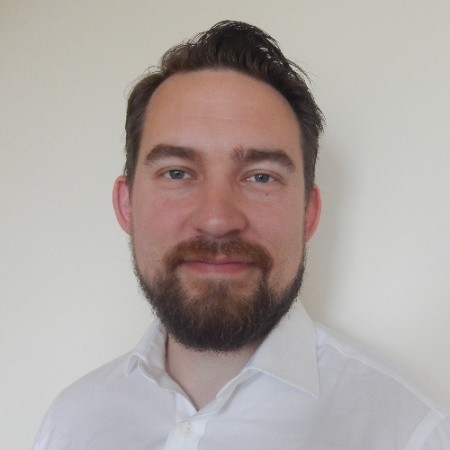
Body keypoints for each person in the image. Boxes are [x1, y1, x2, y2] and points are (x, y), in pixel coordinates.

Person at [32, 21, 449, 449]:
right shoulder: (70, 424)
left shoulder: (409, 433)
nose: (217, 219)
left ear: (308, 213)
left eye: (260, 177)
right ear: (126, 205)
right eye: (177, 173)